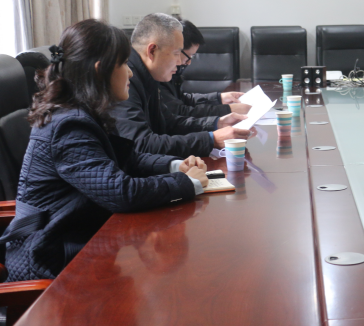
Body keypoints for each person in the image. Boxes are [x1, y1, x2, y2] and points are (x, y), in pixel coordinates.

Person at [1, 20, 209, 282]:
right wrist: (186, 183)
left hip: (79, 240)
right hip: (50, 261)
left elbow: (127, 158)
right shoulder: (68, 124)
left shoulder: (82, 111)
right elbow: (121, 192)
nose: (131, 73)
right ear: (101, 71)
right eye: (124, 64)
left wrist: (175, 165)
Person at [112, 13, 250, 157]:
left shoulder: (148, 76)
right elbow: (141, 144)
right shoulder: (125, 81)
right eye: (176, 53)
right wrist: (211, 140)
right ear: (152, 51)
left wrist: (217, 123)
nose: (180, 62)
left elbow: (169, 122)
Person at [159, 19, 250, 118]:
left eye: (193, 56)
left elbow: (182, 100)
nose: (189, 62)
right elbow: (179, 112)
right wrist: (228, 110)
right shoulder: (159, 76)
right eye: (189, 56)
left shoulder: (172, 73)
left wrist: (218, 98)